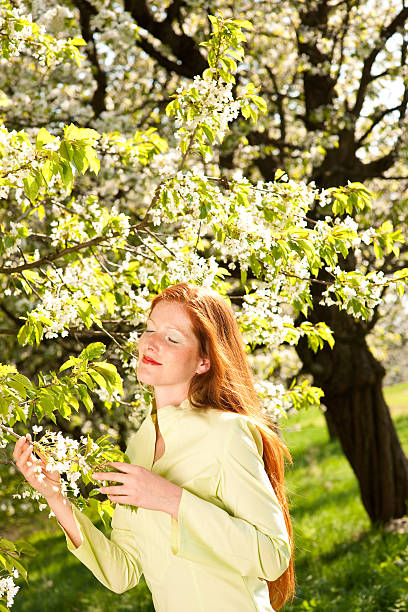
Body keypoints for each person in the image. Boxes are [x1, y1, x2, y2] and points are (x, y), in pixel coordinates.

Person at [13, 282, 295, 611]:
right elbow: (122, 572)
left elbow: (273, 556)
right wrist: (56, 498)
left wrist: (170, 499)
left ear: (203, 361)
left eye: (172, 337)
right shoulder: (142, 442)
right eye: (150, 329)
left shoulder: (227, 434)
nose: (151, 343)